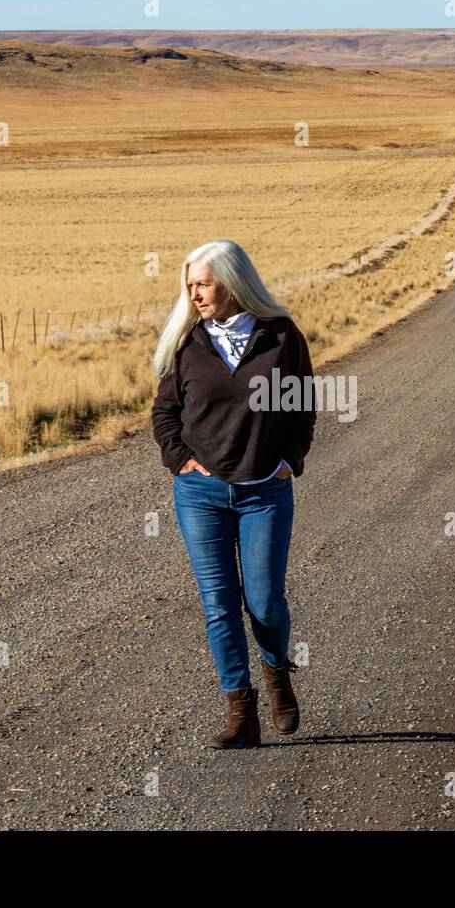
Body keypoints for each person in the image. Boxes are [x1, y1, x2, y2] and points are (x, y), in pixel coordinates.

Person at [151, 239, 317, 749]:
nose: (195, 294)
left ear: (232, 281)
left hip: (264, 491)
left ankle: (276, 673)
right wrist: (181, 460)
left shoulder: (280, 337)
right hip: (200, 494)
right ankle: (241, 713)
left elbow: (303, 406)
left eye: (204, 284)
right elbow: (164, 414)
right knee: (219, 605)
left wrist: (290, 461)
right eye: (190, 286)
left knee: (264, 603)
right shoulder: (186, 341)